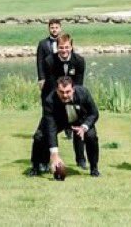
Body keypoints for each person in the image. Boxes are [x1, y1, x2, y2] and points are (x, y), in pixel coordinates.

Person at [29, 76, 100, 177]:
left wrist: (84, 127)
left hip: (80, 120)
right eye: (61, 92)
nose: (65, 95)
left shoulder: (83, 93)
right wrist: (54, 154)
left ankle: (94, 169)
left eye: (68, 91)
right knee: (39, 136)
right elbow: (51, 127)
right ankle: (35, 167)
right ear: (57, 90)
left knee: (91, 136)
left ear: (73, 89)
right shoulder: (49, 101)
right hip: (59, 120)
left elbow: (94, 113)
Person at [41, 33, 87, 169]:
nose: (64, 50)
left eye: (67, 47)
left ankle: (81, 160)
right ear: (57, 47)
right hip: (53, 99)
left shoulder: (79, 61)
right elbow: (51, 85)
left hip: (73, 98)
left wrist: (71, 99)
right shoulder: (49, 61)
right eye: (61, 48)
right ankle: (44, 161)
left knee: (78, 127)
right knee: (46, 131)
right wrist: (61, 100)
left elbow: (78, 84)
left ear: (71, 47)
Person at [36, 18, 63, 92]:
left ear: (60, 28)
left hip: (63, 77)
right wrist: (41, 79)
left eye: (56, 28)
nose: (54, 30)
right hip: (48, 78)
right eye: (52, 28)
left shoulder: (65, 43)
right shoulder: (42, 43)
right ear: (49, 29)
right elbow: (39, 62)